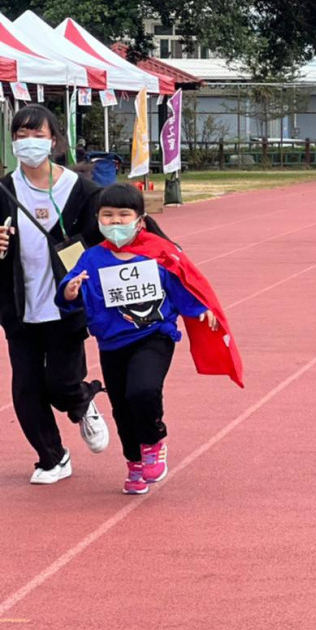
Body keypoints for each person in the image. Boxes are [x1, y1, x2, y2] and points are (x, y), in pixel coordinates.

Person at [57, 183, 243, 494]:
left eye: (123, 215)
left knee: (142, 391)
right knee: (121, 406)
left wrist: (200, 310)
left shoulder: (159, 252)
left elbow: (182, 282)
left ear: (139, 220)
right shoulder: (91, 258)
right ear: (98, 219)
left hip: (154, 335)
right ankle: (134, 463)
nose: (115, 222)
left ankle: (154, 441)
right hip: (111, 342)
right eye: (108, 216)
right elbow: (69, 291)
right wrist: (70, 290)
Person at [0, 104, 109, 484]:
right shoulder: (3, 191)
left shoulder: (81, 191)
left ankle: (83, 402)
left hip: (66, 305)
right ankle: (52, 457)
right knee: (26, 388)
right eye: (21, 136)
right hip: (19, 307)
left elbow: (105, 240)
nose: (29, 143)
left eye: (37, 135)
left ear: (55, 140)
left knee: (61, 384)